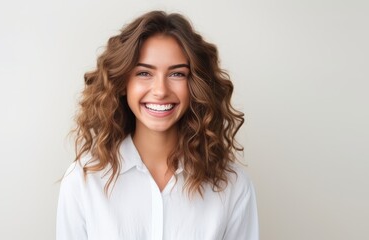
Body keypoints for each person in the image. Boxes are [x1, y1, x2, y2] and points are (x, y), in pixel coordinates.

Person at [56, 11, 259, 240]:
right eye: (144, 73)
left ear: (195, 85)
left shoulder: (232, 185)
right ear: (123, 83)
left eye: (177, 74)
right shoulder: (83, 181)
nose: (161, 90)